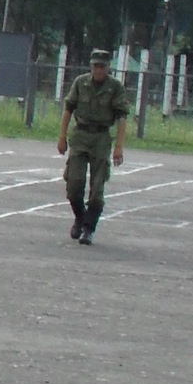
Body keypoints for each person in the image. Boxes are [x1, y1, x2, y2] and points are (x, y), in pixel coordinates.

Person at [58, 48, 132, 244]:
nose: (99, 70)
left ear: (108, 68)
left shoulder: (114, 87)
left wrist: (119, 146)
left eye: (102, 67)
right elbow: (68, 109)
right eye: (95, 66)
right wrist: (62, 137)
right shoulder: (80, 83)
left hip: (101, 138)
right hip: (80, 135)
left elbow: (122, 117)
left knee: (97, 189)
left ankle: (88, 229)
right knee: (74, 184)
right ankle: (80, 217)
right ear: (91, 66)